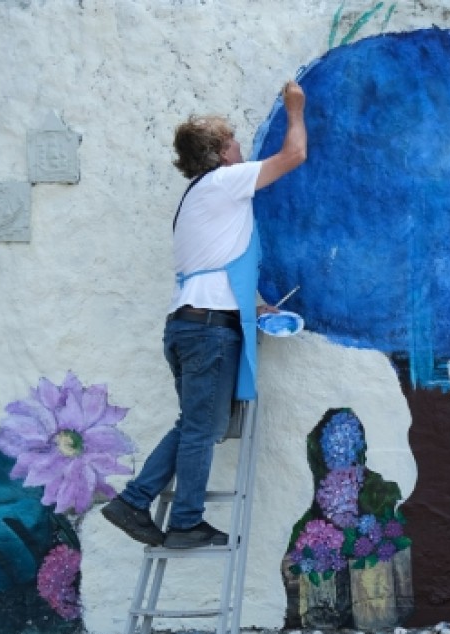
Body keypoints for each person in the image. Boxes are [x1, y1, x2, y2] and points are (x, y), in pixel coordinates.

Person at [101, 81, 308, 549]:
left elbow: (219, 264)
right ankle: (182, 520)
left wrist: (256, 305)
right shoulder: (226, 182)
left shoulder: (199, 196)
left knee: (198, 426)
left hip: (190, 325)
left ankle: (134, 502)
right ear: (219, 152)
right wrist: (296, 109)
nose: (240, 143)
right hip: (209, 331)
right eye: (232, 138)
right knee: (201, 429)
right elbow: (294, 155)